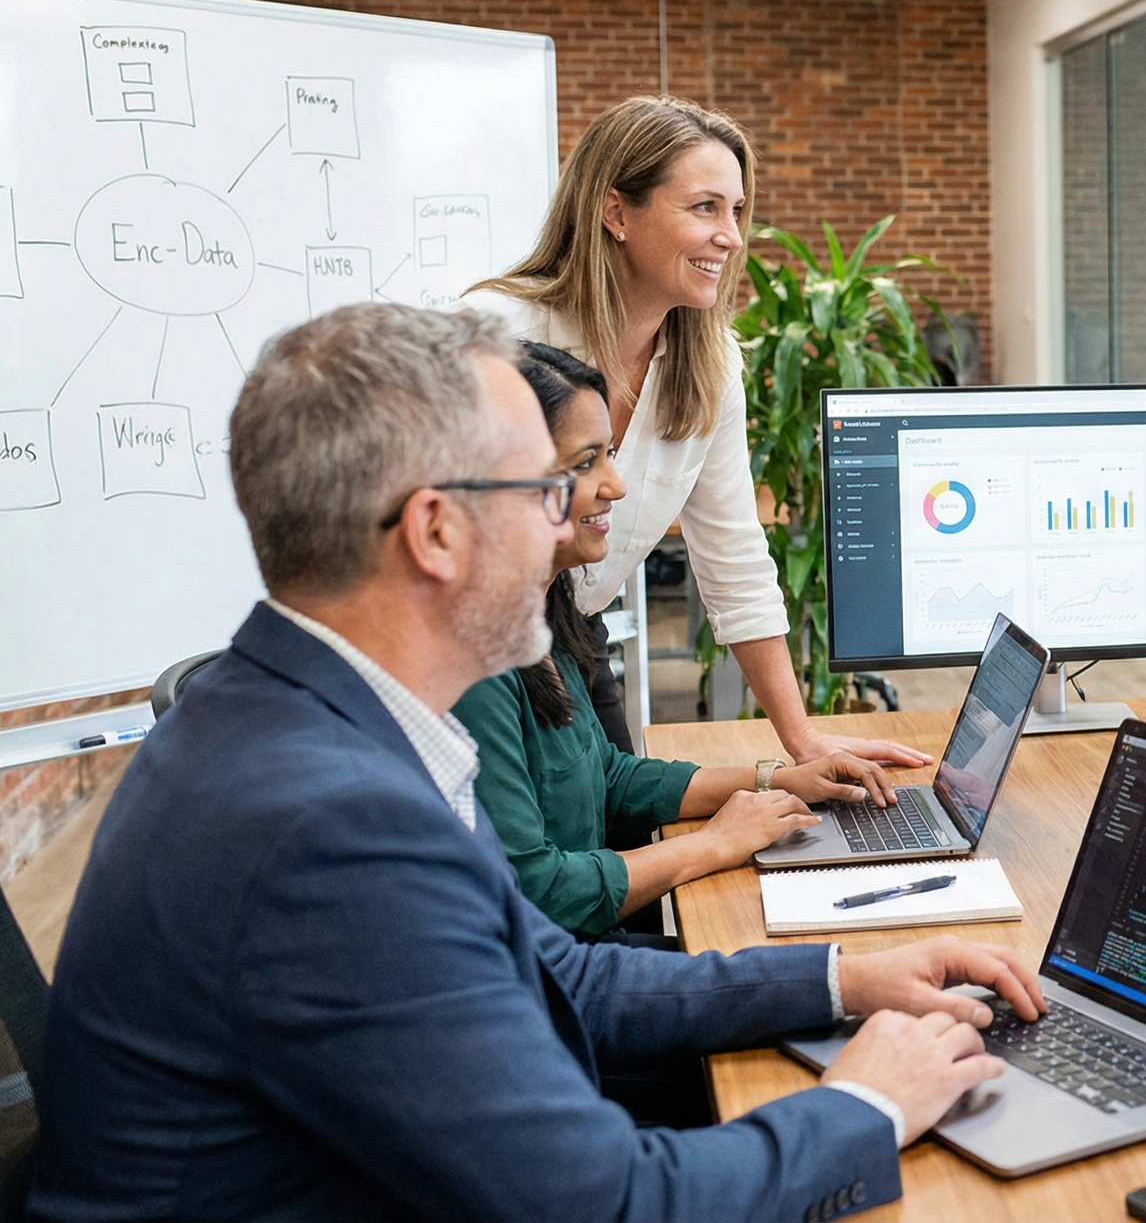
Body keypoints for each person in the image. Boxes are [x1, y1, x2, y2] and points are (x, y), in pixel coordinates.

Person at [31, 304, 1043, 1220]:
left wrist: (845, 977)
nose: (574, 521)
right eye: (547, 486)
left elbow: (557, 975)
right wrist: (870, 1101)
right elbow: (610, 1205)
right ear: (437, 529)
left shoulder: (321, 720)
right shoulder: (329, 823)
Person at [463, 95, 928, 804]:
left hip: (572, 644)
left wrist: (801, 738)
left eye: (737, 211)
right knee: (545, 882)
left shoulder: (709, 364)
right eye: (705, 208)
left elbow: (734, 556)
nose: (732, 237)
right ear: (616, 212)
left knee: (619, 838)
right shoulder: (494, 335)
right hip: (470, 659)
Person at [456, 342, 882, 943]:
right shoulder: (474, 667)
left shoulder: (546, 611)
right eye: (585, 464)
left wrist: (777, 781)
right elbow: (540, 893)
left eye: (609, 455)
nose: (616, 486)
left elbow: (608, 777)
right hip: (557, 978)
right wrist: (715, 844)